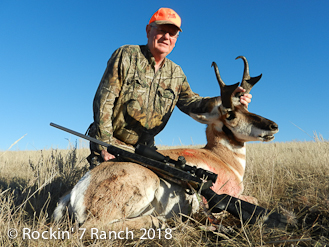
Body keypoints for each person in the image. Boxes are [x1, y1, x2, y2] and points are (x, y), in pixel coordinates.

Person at [86, 7, 252, 168]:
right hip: (111, 143)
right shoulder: (126, 55)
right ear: (148, 31)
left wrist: (228, 99)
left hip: (145, 149)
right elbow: (104, 101)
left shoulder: (176, 73)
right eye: (161, 30)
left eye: (172, 33)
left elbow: (193, 103)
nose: (166, 37)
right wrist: (104, 145)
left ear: (176, 39)